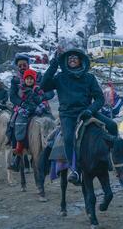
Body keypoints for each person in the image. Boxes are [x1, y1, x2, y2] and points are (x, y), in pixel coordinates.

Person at [40, 47, 118, 185]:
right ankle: (74, 169)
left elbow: (99, 99)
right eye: (69, 58)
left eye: (75, 58)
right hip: (68, 114)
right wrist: (54, 63)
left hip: (87, 111)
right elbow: (44, 85)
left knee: (112, 125)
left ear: (81, 61)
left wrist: (90, 109)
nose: (72, 60)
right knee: (69, 137)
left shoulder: (89, 78)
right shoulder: (60, 78)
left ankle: (113, 158)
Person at [12, 69, 45, 160]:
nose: (29, 80)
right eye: (27, 79)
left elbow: (40, 99)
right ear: (24, 80)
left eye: (31, 79)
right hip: (24, 111)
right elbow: (17, 100)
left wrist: (41, 106)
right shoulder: (21, 89)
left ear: (34, 80)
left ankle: (47, 145)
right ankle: (19, 148)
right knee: (19, 125)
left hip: (35, 111)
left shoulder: (36, 90)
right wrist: (22, 107)